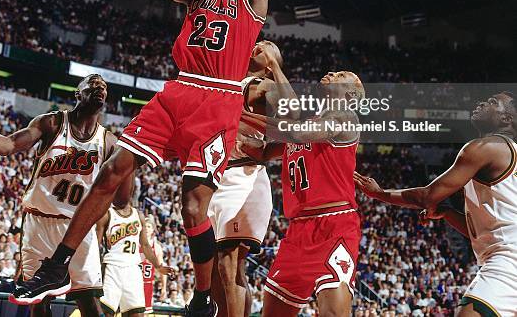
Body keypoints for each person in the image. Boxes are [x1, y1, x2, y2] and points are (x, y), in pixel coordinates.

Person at [10, 0, 317, 317]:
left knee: (193, 208)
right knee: (111, 172)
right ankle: (56, 265)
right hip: (177, 91)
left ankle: (200, 299)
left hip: (218, 100)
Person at [0, 74, 125, 317]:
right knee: (38, 300)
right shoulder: (53, 123)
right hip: (39, 221)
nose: (100, 87)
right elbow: (9, 144)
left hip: (78, 228)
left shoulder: (109, 141)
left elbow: (120, 198)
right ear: (78, 94)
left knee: (89, 302)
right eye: (93, 84)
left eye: (104, 87)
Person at [355, 91, 517, 317]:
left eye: (492, 102)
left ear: (506, 119)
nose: (481, 102)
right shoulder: (508, 155)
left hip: (507, 262)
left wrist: (380, 194)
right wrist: (448, 213)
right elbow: (483, 233)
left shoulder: (485, 148)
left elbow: (427, 196)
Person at [242, 70, 364, 317]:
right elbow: (264, 152)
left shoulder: (345, 116)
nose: (331, 73)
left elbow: (298, 134)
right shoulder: (310, 121)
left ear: (351, 93)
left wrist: (237, 113)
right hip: (297, 229)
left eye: (341, 74)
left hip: (334, 224)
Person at [208, 40, 294, 317]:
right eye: (259, 42)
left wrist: (273, 66)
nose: (261, 43)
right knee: (214, 271)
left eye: (268, 45)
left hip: (242, 179)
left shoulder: (262, 85)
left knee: (229, 265)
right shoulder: (237, 81)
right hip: (221, 176)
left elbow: (294, 114)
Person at [98, 186, 173, 316]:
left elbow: (145, 245)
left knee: (136, 313)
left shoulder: (138, 215)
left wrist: (158, 266)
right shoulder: (107, 214)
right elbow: (95, 245)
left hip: (133, 268)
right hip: (112, 266)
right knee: (106, 311)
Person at [141, 216, 167, 312]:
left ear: (152, 230)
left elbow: (162, 268)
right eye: (144, 226)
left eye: (148, 226)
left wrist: (164, 288)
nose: (146, 229)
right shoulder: (135, 243)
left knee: (145, 313)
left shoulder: (156, 247)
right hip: (133, 282)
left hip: (147, 284)